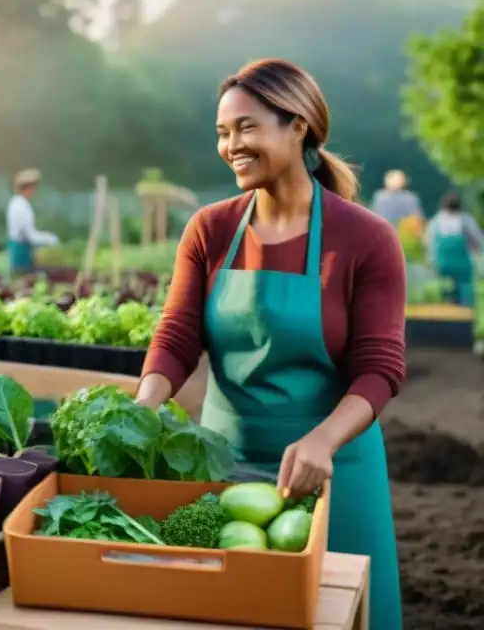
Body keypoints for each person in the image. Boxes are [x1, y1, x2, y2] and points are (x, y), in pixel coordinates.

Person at [135, 59, 404, 630]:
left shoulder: (366, 238)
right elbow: (179, 334)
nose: (232, 144)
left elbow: (379, 368)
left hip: (335, 468)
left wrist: (323, 442)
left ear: (298, 125)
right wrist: (140, 412)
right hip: (222, 463)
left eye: (246, 127)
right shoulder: (209, 229)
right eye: (222, 132)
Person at [425, 191, 482, 307]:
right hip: (462, 265)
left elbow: (427, 242)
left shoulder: (436, 221)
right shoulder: (465, 220)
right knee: (465, 290)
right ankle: (466, 312)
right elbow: (478, 240)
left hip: (442, 264)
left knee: (442, 289)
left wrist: (430, 260)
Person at [6, 168, 58, 276]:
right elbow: (28, 235)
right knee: (22, 280)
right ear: (27, 188)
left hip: (20, 249)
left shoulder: (17, 203)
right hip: (21, 251)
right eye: (33, 187)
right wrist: (49, 239)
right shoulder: (21, 206)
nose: (35, 191)